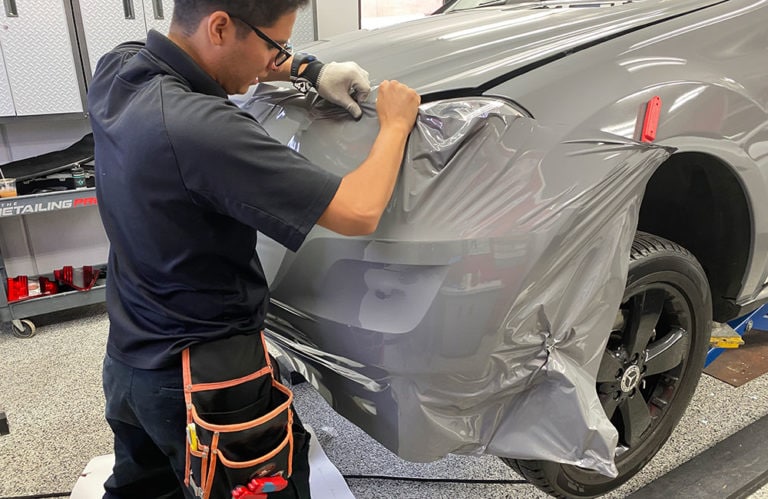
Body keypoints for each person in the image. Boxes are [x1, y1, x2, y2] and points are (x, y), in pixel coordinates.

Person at [86, 0, 420, 497]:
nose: (274, 61)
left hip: (131, 361)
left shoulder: (118, 67)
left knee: (144, 488)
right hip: (206, 380)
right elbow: (357, 210)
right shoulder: (202, 128)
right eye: (274, 45)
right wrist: (394, 124)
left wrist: (309, 68)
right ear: (220, 26)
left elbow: (260, 57)